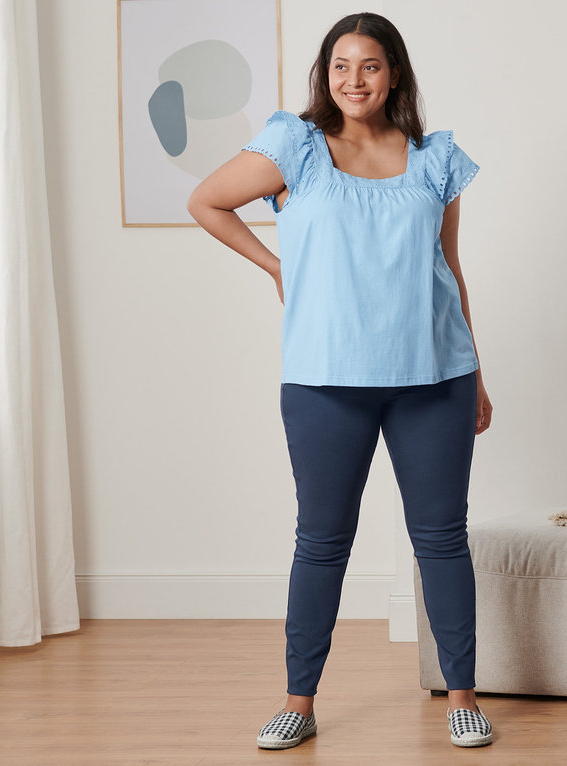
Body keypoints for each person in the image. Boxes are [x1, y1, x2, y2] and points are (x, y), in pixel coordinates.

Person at [187, 11, 493, 750]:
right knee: (321, 541)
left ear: (395, 75)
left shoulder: (435, 158)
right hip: (325, 379)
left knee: (442, 538)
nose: (354, 80)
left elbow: (448, 269)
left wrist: (477, 371)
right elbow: (207, 200)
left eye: (371, 66)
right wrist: (276, 268)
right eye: (341, 66)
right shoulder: (296, 147)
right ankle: (299, 700)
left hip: (434, 376)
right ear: (326, 75)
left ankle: (463, 696)